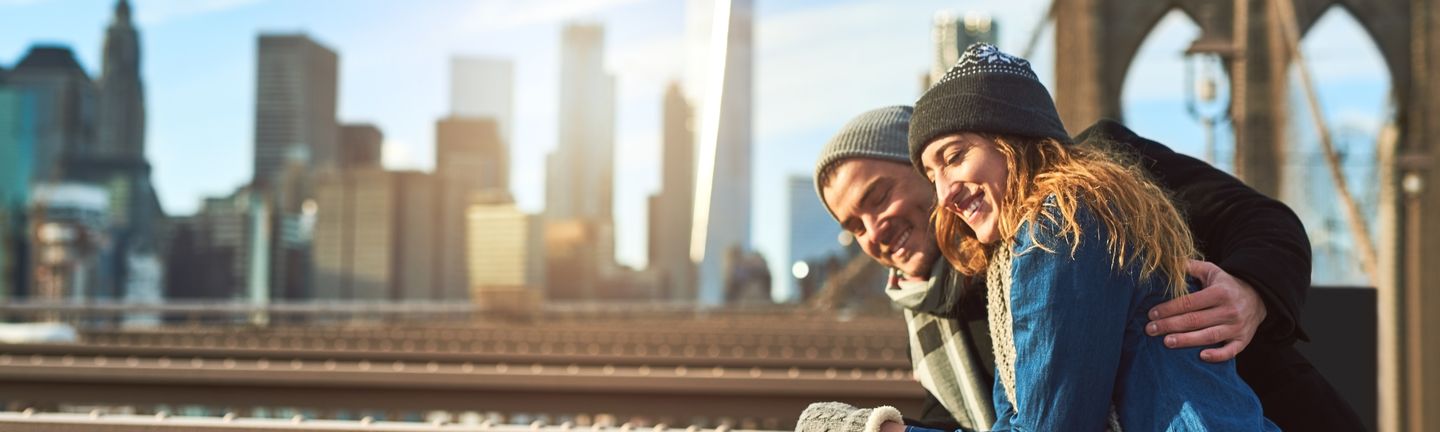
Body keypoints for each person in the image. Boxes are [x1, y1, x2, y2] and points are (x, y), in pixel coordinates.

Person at [795, 43, 1363, 431]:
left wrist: (1251, 292)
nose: (873, 230)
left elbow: (1261, 220)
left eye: (876, 197)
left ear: (1010, 139)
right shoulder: (953, 306)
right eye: (853, 226)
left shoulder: (1074, 205)